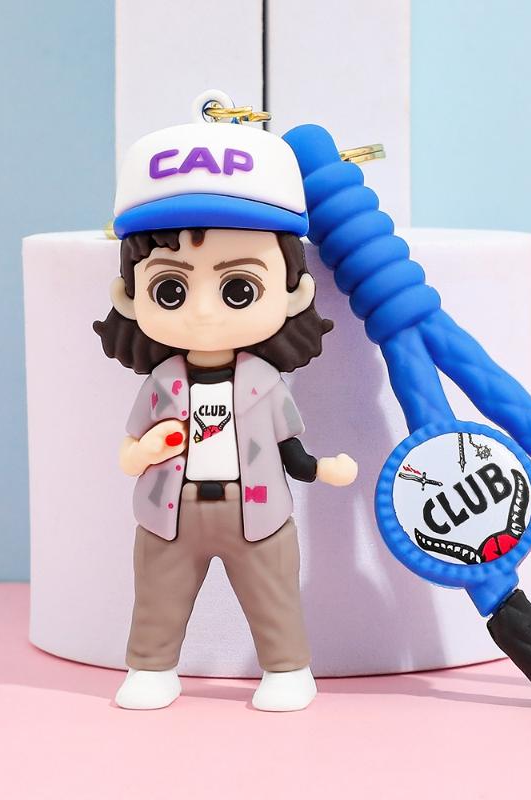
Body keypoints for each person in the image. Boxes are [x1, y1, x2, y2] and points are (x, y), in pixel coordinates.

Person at [93, 112, 357, 712]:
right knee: (158, 596)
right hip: (169, 512)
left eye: (239, 289)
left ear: (295, 291)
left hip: (256, 511)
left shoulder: (264, 383)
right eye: (171, 290)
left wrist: (321, 469)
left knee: (272, 595)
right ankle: (151, 668)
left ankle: (287, 670)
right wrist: (146, 450)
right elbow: (129, 453)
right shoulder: (163, 381)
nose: (205, 313)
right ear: (129, 297)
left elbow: (289, 450)